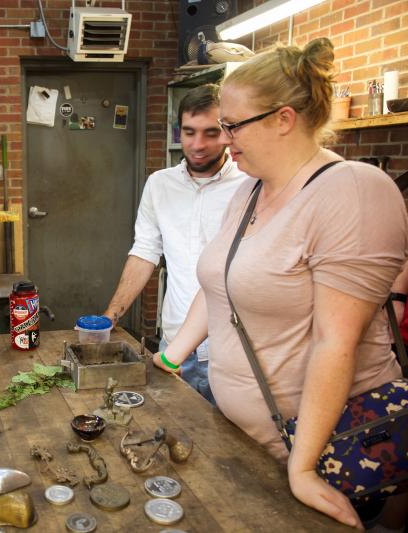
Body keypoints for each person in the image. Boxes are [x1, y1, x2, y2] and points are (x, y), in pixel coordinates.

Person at [153, 38, 408, 528]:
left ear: (283, 118)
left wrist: (305, 465)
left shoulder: (352, 190)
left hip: (325, 454)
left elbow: (338, 341)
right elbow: (221, 285)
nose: (225, 139)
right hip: (248, 443)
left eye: (232, 126)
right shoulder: (249, 191)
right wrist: (169, 357)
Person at [103, 84, 247, 404]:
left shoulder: (249, 185)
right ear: (178, 130)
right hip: (174, 343)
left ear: (226, 131)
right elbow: (145, 252)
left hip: (231, 351)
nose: (197, 145)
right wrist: (110, 317)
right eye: (189, 132)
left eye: (210, 133)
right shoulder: (160, 184)